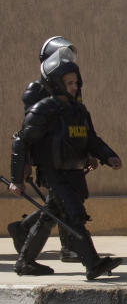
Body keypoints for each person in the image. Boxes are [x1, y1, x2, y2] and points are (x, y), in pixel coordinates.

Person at [7, 47, 123, 279]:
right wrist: (16, 179)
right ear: (57, 83)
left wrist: (108, 155)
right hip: (54, 173)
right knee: (73, 216)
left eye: (75, 82)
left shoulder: (79, 110)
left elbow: (91, 139)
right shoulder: (42, 111)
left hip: (74, 172)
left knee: (49, 216)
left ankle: (25, 262)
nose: (74, 87)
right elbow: (22, 142)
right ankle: (93, 264)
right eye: (69, 83)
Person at [7, 36, 82, 263]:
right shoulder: (36, 90)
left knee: (59, 201)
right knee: (63, 200)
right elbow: (28, 132)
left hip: (67, 154)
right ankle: (69, 247)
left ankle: (23, 228)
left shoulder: (73, 86)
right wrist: (25, 164)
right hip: (48, 155)